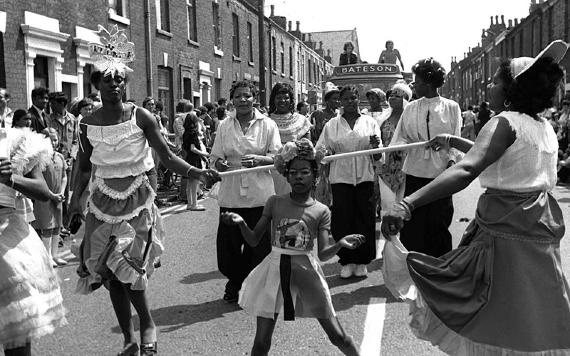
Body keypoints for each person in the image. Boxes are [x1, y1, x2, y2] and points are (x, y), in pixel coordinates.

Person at [381, 40, 570, 356]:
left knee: (485, 302)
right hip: (537, 228)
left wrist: (407, 203)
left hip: (503, 230)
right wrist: (455, 139)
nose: (491, 85)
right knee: (530, 304)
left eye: (497, 80)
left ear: (512, 89)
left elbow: (469, 168)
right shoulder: (543, 126)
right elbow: (504, 157)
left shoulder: (504, 121)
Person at [69, 27, 219, 356]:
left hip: (137, 203)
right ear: (96, 84)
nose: (114, 84)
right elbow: (81, 168)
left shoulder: (141, 116)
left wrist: (197, 171)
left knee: (128, 270)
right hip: (100, 204)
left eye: (119, 78)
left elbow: (166, 156)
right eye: (107, 79)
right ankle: (128, 338)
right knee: (110, 274)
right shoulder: (86, 124)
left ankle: (148, 322)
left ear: (126, 82)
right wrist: (73, 204)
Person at [221, 138, 363, 356]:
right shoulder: (274, 202)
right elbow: (253, 240)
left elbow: (324, 254)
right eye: (293, 172)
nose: (298, 176)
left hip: (306, 270)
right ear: (286, 175)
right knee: (261, 342)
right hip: (274, 271)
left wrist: (340, 244)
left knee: (338, 335)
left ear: (315, 176)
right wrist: (241, 223)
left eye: (305, 172)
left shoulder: (321, 210)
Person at [210, 80, 281, 303]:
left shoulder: (267, 124)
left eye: (247, 96)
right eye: (238, 96)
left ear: (254, 99)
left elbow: (278, 158)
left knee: (258, 247)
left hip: (259, 194)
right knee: (228, 247)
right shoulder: (224, 125)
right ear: (232, 99)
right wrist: (219, 164)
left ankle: (249, 287)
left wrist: (260, 159)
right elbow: (214, 157)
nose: (243, 100)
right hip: (231, 192)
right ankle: (236, 280)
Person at [0, 125, 66, 355]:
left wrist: (11, 179)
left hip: (9, 246)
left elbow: (43, 191)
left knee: (16, 335)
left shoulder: (15, 141)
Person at [389, 57, 462, 257]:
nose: (414, 85)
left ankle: (439, 271)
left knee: (439, 223)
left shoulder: (452, 107)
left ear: (429, 82)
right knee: (413, 225)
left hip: (441, 175)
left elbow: (457, 141)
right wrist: (399, 147)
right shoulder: (411, 108)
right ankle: (415, 270)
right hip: (415, 172)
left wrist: (451, 162)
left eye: (418, 81)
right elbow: (400, 137)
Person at [316, 85, 381, 278]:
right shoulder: (332, 125)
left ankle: (362, 261)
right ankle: (347, 260)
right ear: (340, 102)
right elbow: (321, 150)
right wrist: (325, 154)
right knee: (343, 219)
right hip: (341, 177)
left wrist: (376, 147)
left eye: (353, 98)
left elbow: (378, 155)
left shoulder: (370, 122)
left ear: (358, 99)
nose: (350, 102)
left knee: (365, 218)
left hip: (364, 176)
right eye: (346, 99)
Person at [32, 128, 68, 267]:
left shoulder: (59, 157)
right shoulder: (39, 158)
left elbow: (64, 177)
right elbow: (38, 180)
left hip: (58, 198)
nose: (53, 142)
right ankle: (47, 257)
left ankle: (55, 255)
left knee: (57, 226)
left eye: (55, 139)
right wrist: (51, 195)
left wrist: (62, 192)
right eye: (49, 139)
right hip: (45, 198)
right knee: (47, 227)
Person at [268, 82, 312, 195]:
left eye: (286, 97)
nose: (282, 101)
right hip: (271, 172)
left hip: (295, 172)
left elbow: (308, 148)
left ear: (291, 100)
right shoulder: (265, 121)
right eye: (278, 97)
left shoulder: (301, 121)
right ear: (273, 99)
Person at [377, 83, 412, 216]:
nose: (392, 98)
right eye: (391, 95)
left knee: (403, 203)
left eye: (396, 96)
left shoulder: (410, 118)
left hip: (406, 166)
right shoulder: (382, 119)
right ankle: (389, 235)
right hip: (386, 166)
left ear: (404, 99)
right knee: (387, 203)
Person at [182, 111, 209, 211]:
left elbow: (186, 147)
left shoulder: (185, 133)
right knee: (194, 183)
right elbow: (193, 148)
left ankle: (189, 204)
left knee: (189, 183)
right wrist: (204, 154)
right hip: (194, 159)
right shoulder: (193, 133)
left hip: (188, 158)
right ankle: (194, 205)